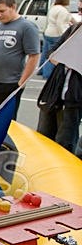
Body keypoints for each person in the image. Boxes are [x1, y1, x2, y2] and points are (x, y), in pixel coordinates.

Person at [36, 21, 82, 153]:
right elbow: (52, 50)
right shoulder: (75, 29)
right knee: (43, 135)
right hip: (54, 92)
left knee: (65, 141)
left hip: (74, 98)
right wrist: (60, 59)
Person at [41, 0, 77, 76]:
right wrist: (65, 36)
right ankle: (47, 74)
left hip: (48, 32)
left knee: (46, 53)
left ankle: (41, 71)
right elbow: (60, 24)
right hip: (56, 34)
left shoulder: (53, 7)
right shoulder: (63, 10)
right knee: (53, 55)